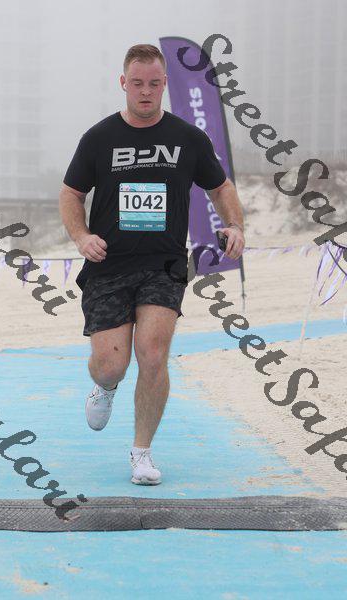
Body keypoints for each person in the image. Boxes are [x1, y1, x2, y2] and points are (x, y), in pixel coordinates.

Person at [59, 43, 245, 486]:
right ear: (124, 83)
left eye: (155, 84)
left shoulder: (188, 138)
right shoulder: (99, 138)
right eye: (138, 83)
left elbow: (220, 187)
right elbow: (71, 194)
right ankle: (105, 386)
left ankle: (141, 452)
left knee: (154, 353)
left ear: (164, 85)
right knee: (111, 363)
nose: (146, 92)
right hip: (108, 264)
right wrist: (82, 237)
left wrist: (235, 225)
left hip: (164, 264)